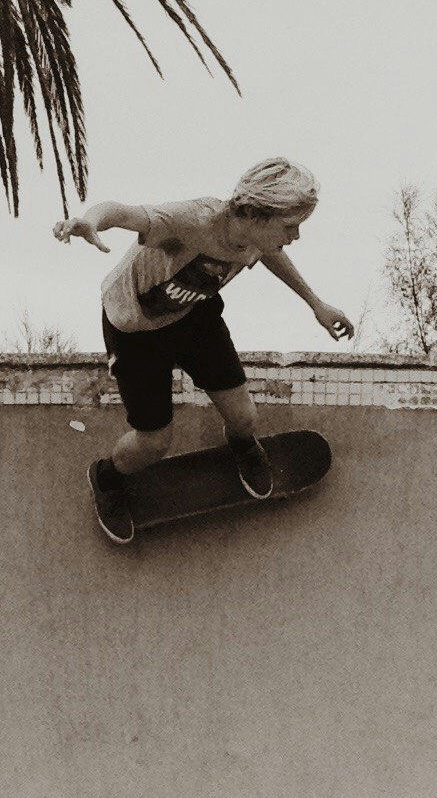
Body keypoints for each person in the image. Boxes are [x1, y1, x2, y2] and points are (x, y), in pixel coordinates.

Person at [56, 157, 354, 540]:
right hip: (136, 333)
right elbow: (125, 213)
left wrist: (316, 303)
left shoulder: (255, 238)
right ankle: (107, 477)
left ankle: (242, 446)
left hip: (194, 317)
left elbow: (271, 253)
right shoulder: (191, 221)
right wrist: (89, 221)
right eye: (290, 226)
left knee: (245, 417)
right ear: (259, 214)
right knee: (154, 443)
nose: (295, 236)